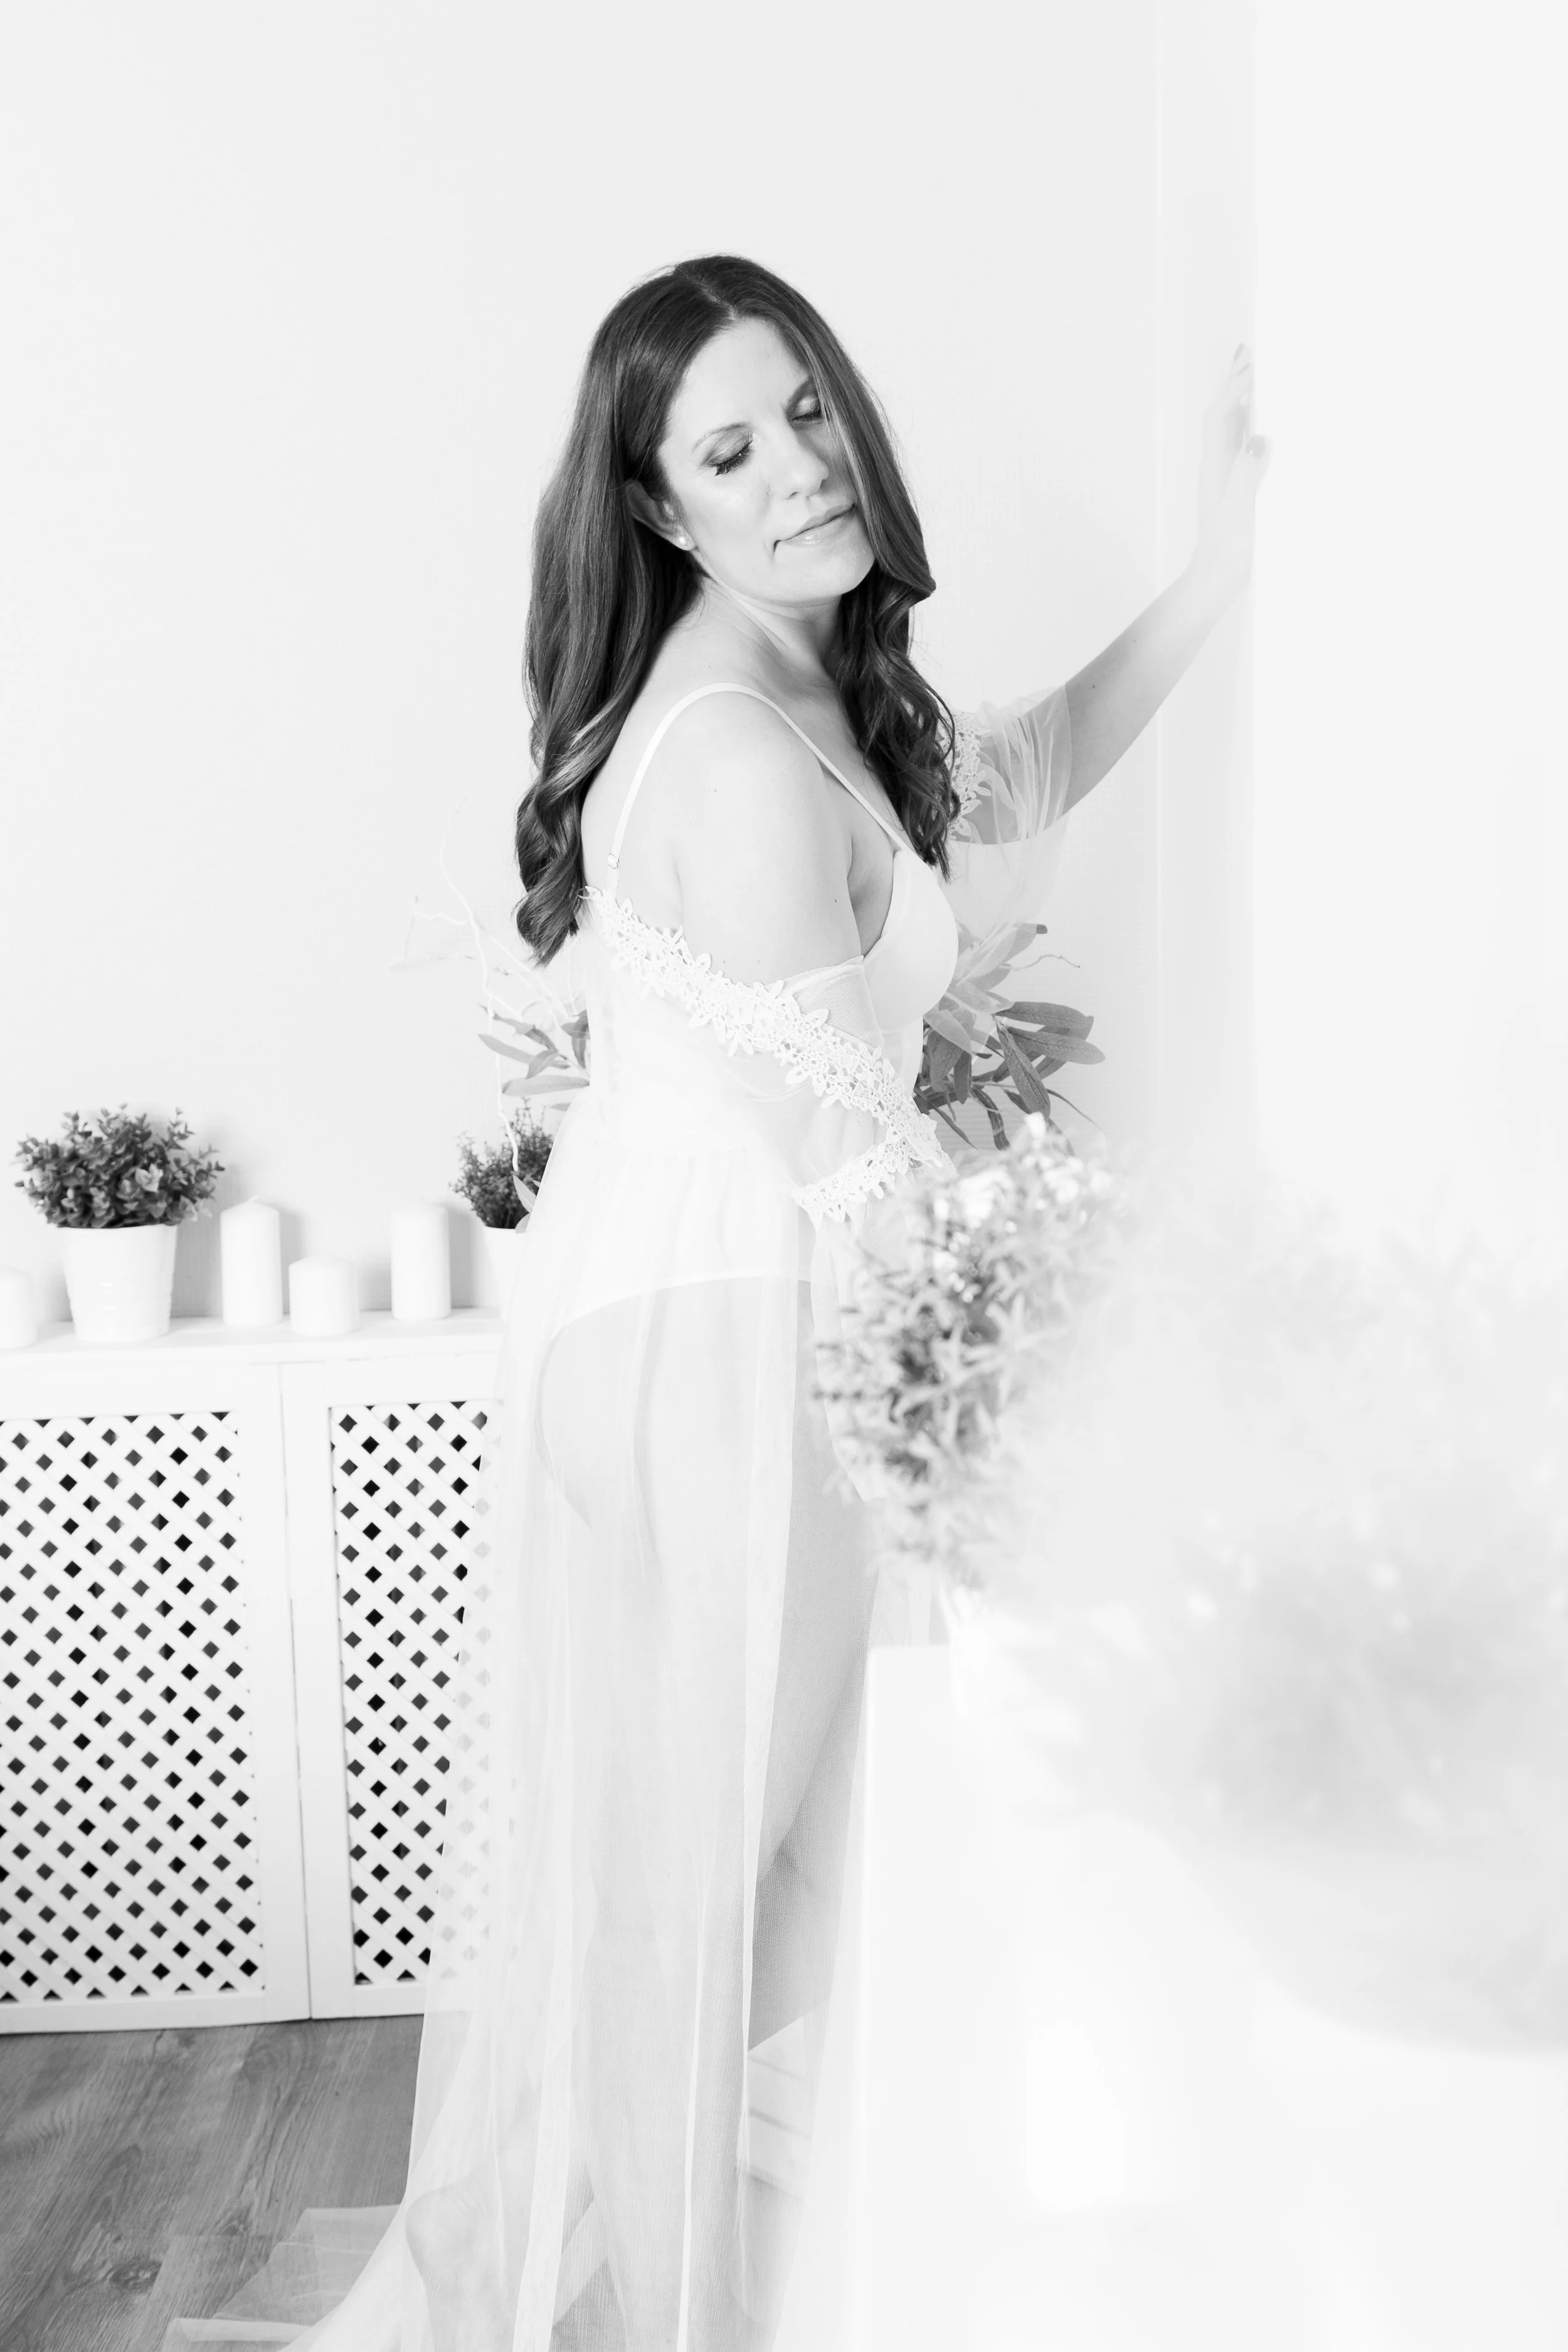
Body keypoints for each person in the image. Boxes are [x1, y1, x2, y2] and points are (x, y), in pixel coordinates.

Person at [175, 253, 1265, 2352]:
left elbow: (1019, 771)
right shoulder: (743, 752)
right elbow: (846, 1154)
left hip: (678, 1308)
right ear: (660, 506)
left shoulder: (806, 689)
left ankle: (576, 2264)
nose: (799, 471)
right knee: (704, 1897)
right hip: (729, 1326)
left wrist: (1216, 572)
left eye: (809, 412)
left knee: (717, 1883)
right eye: (732, 449)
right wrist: (1030, 1409)